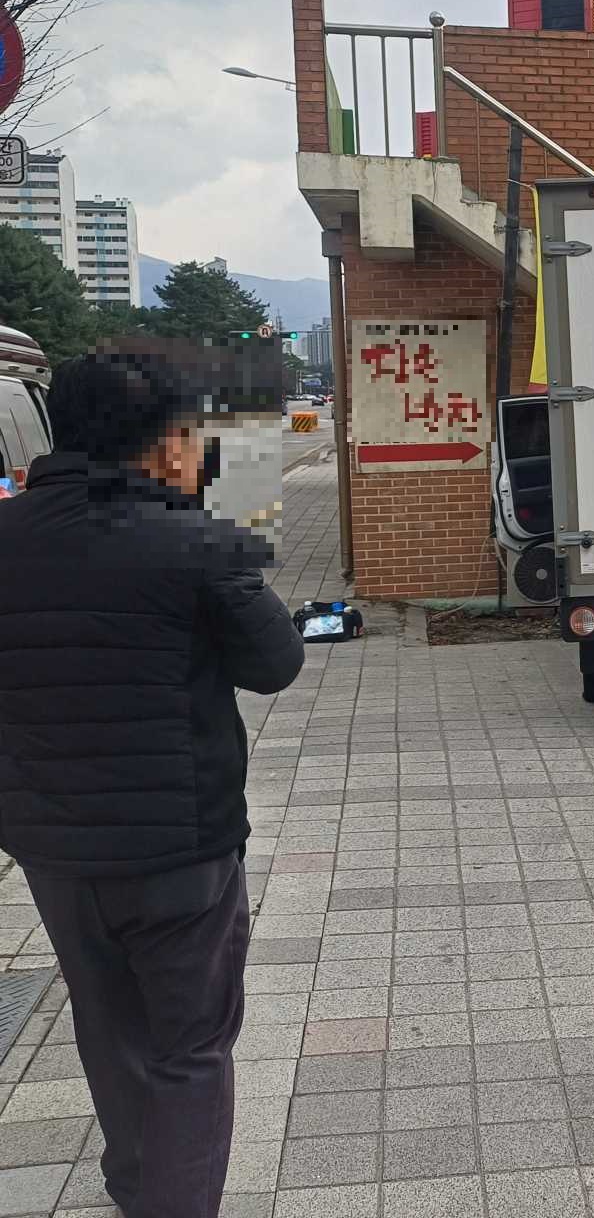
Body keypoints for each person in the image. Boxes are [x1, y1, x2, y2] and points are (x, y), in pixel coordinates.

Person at [0, 351, 305, 1218]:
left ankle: (136, 1184)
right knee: (191, 1047)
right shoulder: (192, 537)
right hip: (181, 851)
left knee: (108, 1027)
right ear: (164, 440)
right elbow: (275, 663)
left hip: (53, 848)